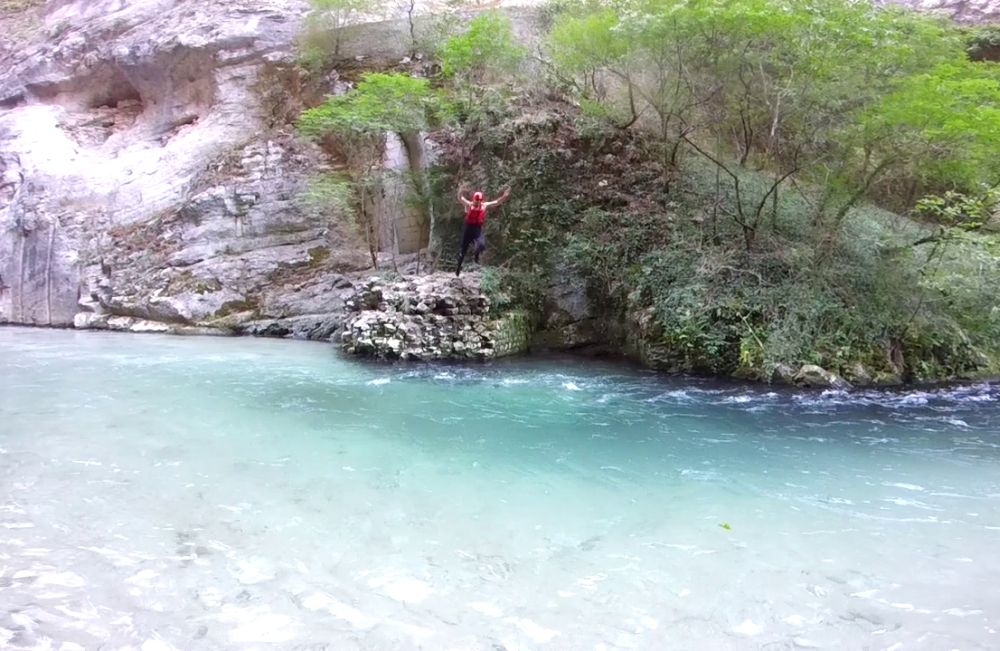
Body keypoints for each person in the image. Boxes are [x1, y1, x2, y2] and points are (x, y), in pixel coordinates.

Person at [455, 184, 511, 277]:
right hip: (468, 229)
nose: (478, 202)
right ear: (474, 199)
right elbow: (460, 198)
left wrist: (504, 196)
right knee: (463, 251)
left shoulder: (484, 205)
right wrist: (461, 190)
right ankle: (458, 267)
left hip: (477, 229)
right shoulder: (469, 205)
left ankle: (476, 257)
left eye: (479, 200)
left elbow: (496, 202)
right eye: (476, 200)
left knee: (481, 245)